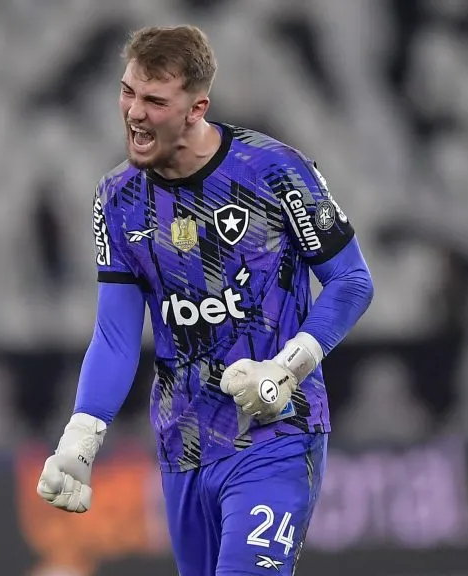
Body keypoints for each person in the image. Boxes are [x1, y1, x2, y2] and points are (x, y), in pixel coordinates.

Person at [37, 25, 374, 575]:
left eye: (154, 101)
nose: (134, 113)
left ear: (196, 109)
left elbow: (352, 281)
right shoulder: (118, 199)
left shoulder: (274, 171)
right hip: (185, 444)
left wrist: (287, 368)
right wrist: (82, 433)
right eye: (127, 92)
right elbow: (116, 336)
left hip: (275, 432)